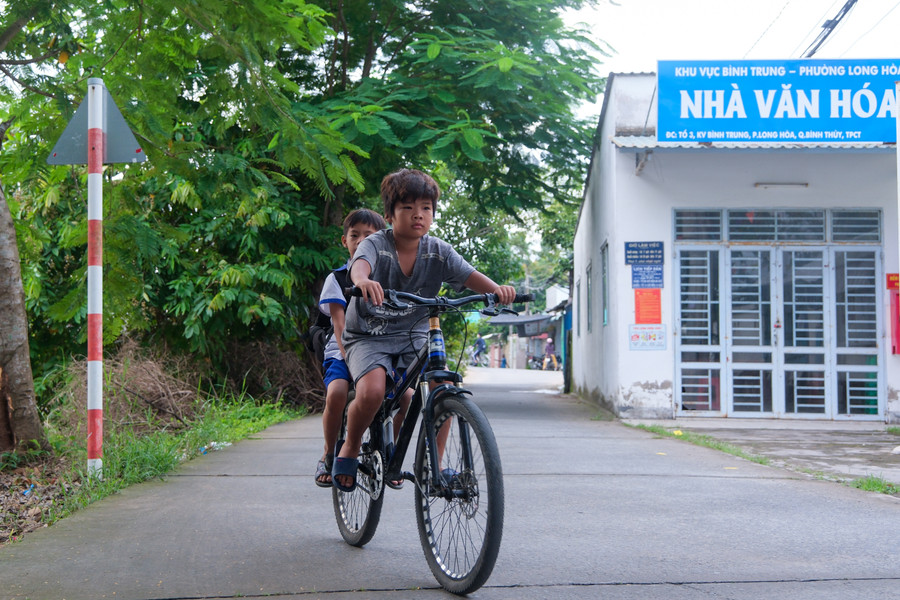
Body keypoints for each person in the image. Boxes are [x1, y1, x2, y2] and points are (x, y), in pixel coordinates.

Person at [332, 168, 516, 491]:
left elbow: (470, 276)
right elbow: (360, 266)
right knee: (373, 392)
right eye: (407, 207)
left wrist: (497, 291)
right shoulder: (376, 244)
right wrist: (362, 281)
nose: (418, 214)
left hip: (414, 331)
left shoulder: (438, 251)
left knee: (442, 384)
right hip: (369, 334)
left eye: (426, 208)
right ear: (389, 214)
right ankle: (350, 444)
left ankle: (436, 465)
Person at [314, 208, 386, 487]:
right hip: (343, 352)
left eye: (368, 235)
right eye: (354, 235)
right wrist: (354, 364)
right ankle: (329, 452)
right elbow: (339, 326)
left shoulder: (388, 276)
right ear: (344, 241)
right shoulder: (338, 279)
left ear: (380, 239)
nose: (360, 241)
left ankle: (390, 451)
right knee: (337, 394)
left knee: (407, 396)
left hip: (378, 351)